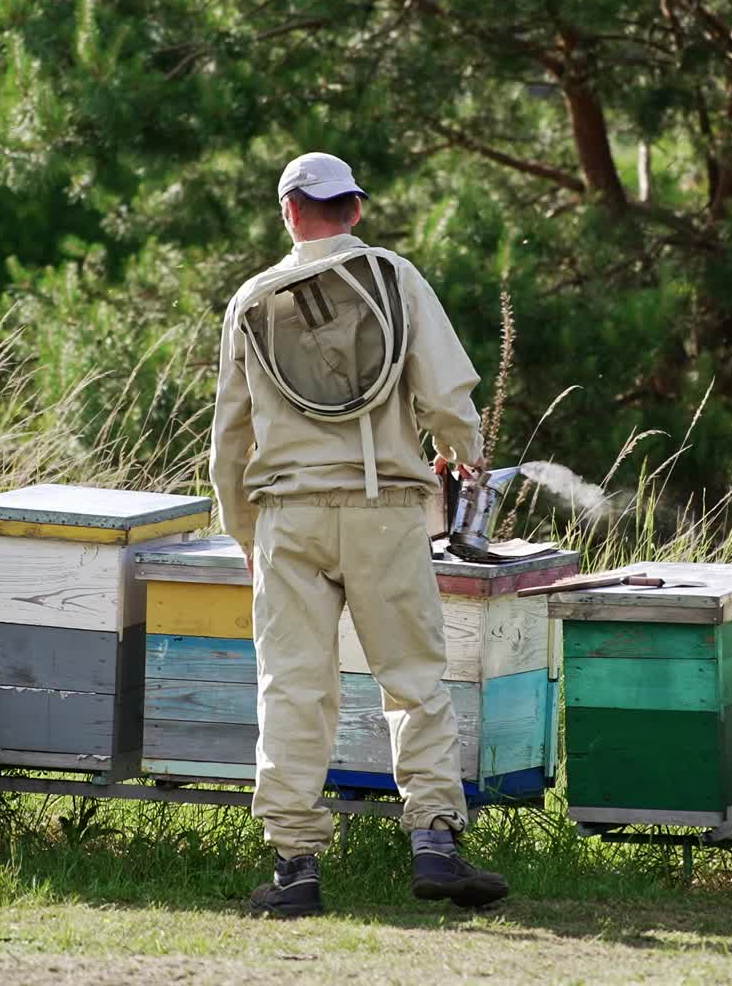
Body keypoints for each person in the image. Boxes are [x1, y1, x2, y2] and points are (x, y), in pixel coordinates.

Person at [209, 151, 510, 918]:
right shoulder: (394, 277)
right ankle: (436, 842)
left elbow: (228, 441)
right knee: (412, 680)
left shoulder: (250, 299)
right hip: (385, 512)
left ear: (287, 213)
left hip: (289, 517)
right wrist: (461, 451)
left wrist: (246, 535)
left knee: (294, 689)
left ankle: (295, 869)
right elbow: (447, 393)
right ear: (357, 209)